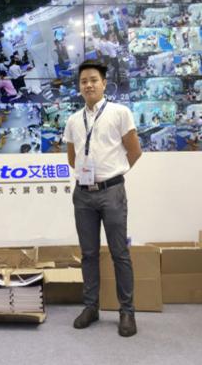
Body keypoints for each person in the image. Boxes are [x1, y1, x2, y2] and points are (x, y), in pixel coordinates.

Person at [63, 60, 142, 337]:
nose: (88, 85)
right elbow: (72, 157)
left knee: (120, 253)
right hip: (83, 195)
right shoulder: (73, 120)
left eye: (94, 80)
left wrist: (112, 175)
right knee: (88, 254)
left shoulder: (120, 113)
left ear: (104, 83)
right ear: (79, 86)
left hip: (112, 192)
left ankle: (127, 311)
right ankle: (91, 307)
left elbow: (134, 151)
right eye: (84, 81)